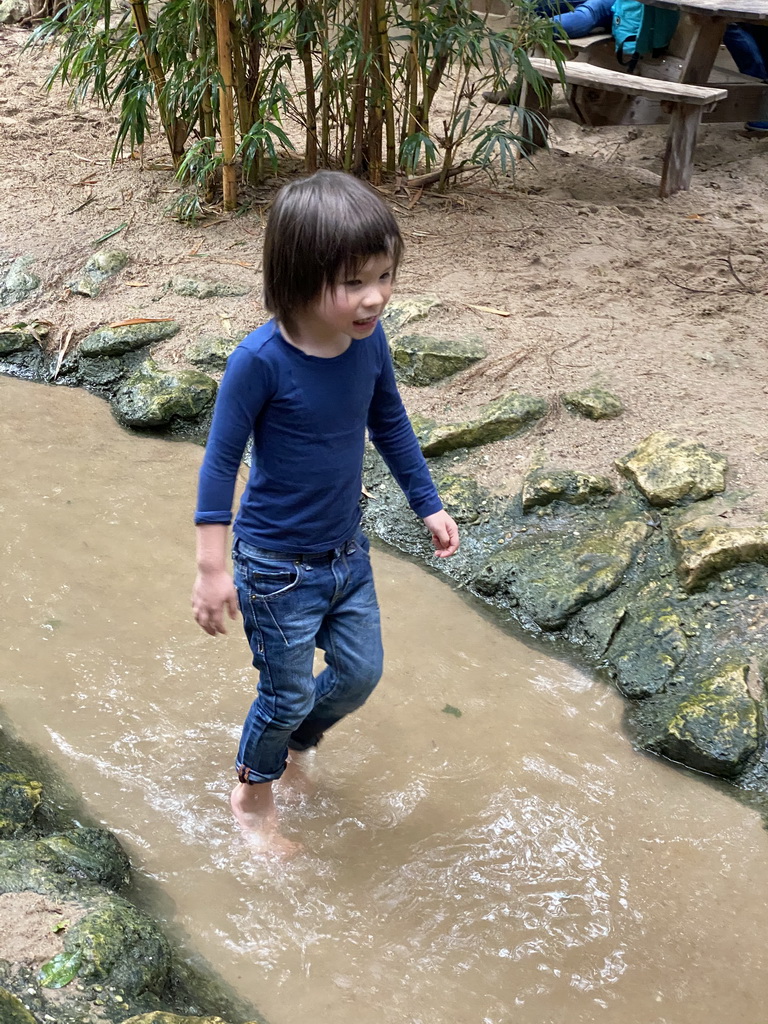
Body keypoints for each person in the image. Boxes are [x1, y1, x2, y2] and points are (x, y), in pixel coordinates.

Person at [191, 170, 460, 856]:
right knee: (280, 696)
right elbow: (221, 464)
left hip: (346, 555)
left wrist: (427, 503)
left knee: (360, 674)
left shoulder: (368, 344)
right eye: (354, 283)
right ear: (298, 278)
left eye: (385, 275)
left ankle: (298, 744)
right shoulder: (260, 362)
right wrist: (211, 570)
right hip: (275, 567)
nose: (375, 297)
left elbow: (391, 423)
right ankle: (252, 793)